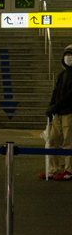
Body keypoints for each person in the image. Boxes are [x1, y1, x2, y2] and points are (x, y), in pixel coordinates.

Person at [41, 44, 72, 181]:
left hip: (69, 112)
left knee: (68, 142)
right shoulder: (62, 75)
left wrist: (55, 106)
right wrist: (51, 107)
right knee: (52, 140)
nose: (68, 57)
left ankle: (69, 170)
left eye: (70, 55)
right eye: (66, 55)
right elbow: (56, 93)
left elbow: (70, 95)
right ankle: (53, 168)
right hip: (58, 113)